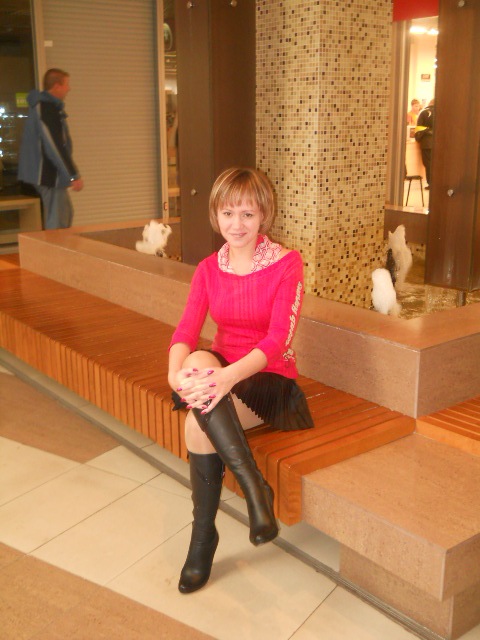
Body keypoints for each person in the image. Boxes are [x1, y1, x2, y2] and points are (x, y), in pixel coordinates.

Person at [168, 167, 314, 594]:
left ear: (263, 215)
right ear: (216, 215)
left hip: (267, 380)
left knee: (196, 423)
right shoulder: (208, 269)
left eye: (247, 214)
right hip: (220, 372)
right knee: (196, 361)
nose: (237, 224)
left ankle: (203, 540)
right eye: (228, 213)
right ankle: (254, 489)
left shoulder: (287, 264)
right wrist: (176, 377)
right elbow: (185, 332)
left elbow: (278, 340)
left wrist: (225, 378)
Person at [18, 68, 84, 229]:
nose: (69, 89)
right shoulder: (46, 108)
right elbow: (54, 146)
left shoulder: (48, 107)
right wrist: (72, 175)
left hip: (50, 173)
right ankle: (54, 246)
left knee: (65, 213)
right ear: (56, 86)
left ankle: (59, 244)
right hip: (48, 174)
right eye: (66, 84)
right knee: (58, 221)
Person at [415, 99, 435, 189]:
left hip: (427, 143)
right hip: (438, 143)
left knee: (428, 163)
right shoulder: (441, 112)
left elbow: (419, 128)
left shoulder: (424, 113)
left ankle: (431, 184)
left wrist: (418, 138)